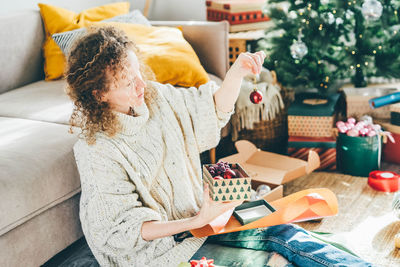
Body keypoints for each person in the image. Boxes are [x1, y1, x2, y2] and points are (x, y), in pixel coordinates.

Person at [66, 26, 374, 267]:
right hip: (160, 252)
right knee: (272, 260)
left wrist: (236, 73)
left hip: (204, 220)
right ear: (98, 95)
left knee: (281, 229)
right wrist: (196, 221)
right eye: (127, 83)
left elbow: (209, 110)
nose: (141, 86)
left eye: (138, 74)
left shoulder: (155, 98)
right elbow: (122, 231)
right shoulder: (96, 150)